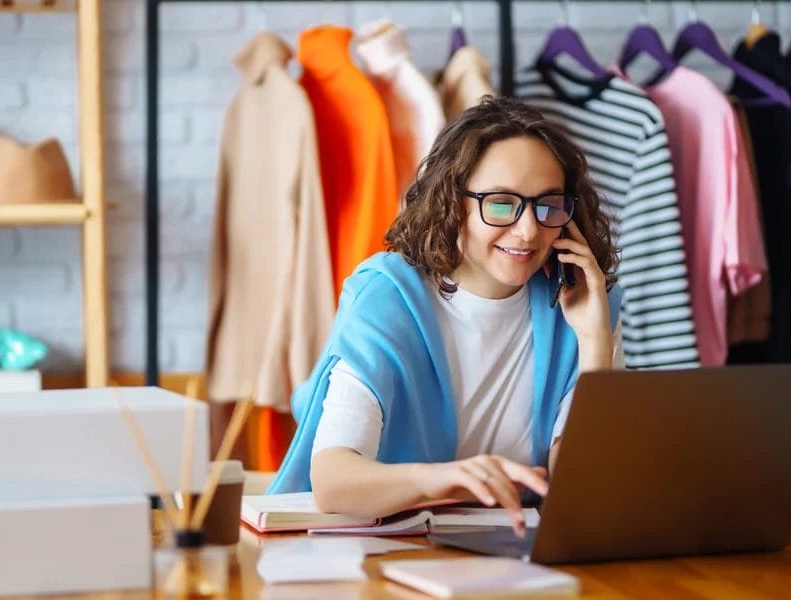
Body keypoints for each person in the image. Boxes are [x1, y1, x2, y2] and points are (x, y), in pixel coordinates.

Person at [267, 96, 623, 537]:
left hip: (518, 551)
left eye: (548, 205)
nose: (529, 230)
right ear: (454, 202)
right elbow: (333, 481)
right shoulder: (388, 298)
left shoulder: (587, 304)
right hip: (384, 551)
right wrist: (445, 479)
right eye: (501, 203)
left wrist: (594, 345)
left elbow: (581, 491)